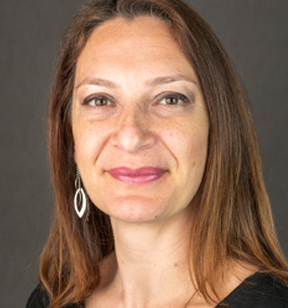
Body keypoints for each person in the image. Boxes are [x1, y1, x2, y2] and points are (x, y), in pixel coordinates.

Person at [26, 0, 288, 307]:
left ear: (217, 128)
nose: (131, 135)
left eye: (170, 99)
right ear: (70, 137)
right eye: (99, 100)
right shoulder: (52, 300)